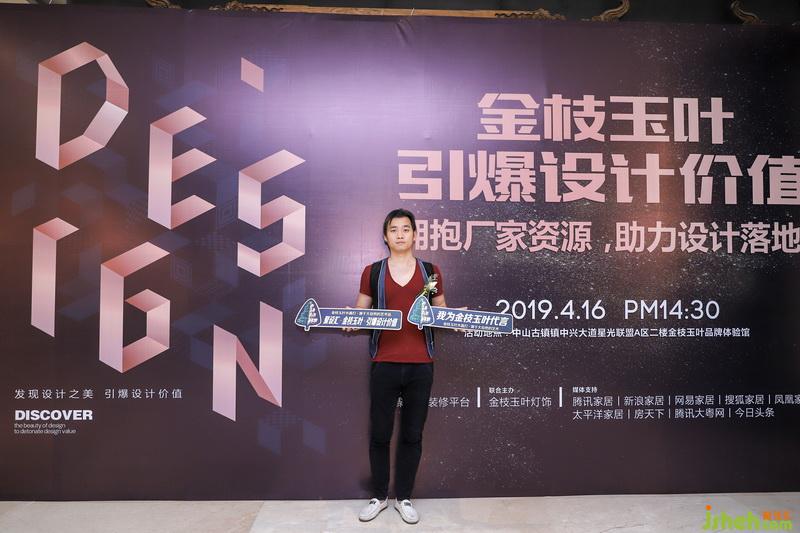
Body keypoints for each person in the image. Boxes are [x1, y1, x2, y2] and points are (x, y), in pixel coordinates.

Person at [352, 208, 447, 525]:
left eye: (406, 229)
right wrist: (350, 320)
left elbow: (441, 311)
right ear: (385, 236)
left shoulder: (431, 272)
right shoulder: (372, 272)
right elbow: (360, 311)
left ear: (415, 234)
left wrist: (457, 318)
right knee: (380, 433)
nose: (400, 234)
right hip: (384, 364)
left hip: (421, 366)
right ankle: (379, 496)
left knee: (412, 434)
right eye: (394, 229)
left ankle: (404, 497)